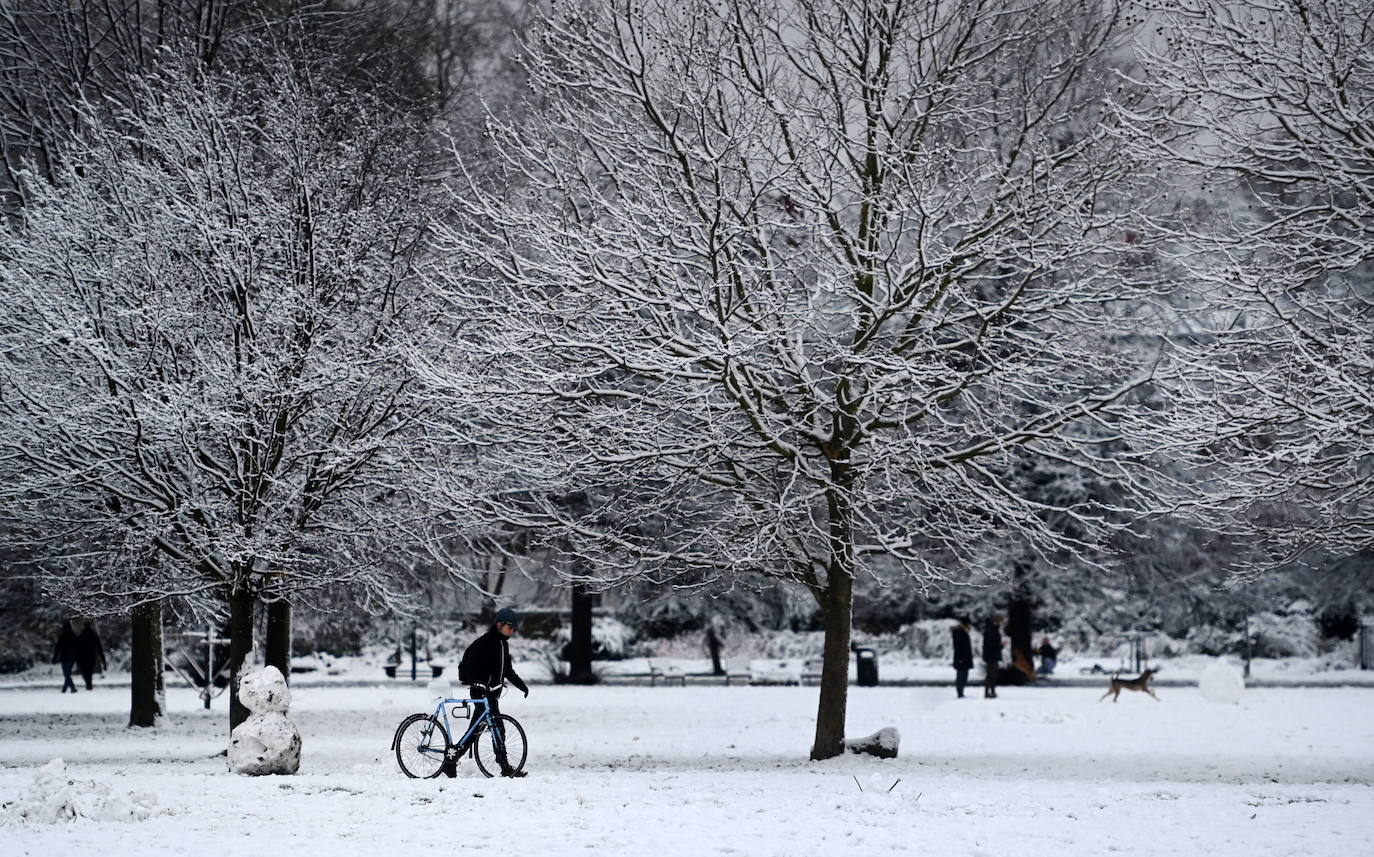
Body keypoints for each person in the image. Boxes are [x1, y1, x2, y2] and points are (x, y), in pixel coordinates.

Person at [443, 606, 530, 778]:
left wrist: (522, 686)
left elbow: (508, 671)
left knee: (477, 730)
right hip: (480, 693)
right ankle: (504, 767)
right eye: (510, 627)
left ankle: (451, 761)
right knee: (497, 728)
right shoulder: (484, 643)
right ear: (499, 624)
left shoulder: (503, 645)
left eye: (514, 628)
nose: (512, 631)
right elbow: (466, 667)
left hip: (491, 694)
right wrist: (478, 683)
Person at [75, 620, 106, 690]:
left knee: (85, 671)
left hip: (82, 656)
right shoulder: (93, 635)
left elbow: (77, 647)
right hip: (91, 655)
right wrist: (103, 660)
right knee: (89, 670)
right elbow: (99, 648)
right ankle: (89, 684)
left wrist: (76, 657)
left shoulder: (81, 635)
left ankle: (88, 683)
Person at [53, 620, 79, 693]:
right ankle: (64, 689)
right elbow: (78, 647)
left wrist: (55, 658)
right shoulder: (74, 636)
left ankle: (72, 688)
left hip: (64, 658)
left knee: (66, 674)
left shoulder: (62, 637)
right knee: (67, 673)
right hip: (72, 658)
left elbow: (57, 648)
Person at [951, 616, 974, 698]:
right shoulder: (959, 632)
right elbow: (957, 646)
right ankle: (960, 692)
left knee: (964, 675)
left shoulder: (963, 631)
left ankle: (961, 691)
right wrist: (960, 658)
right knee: (961, 675)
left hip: (965, 657)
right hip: (961, 658)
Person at [982, 615, 1003, 699]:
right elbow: (992, 645)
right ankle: (989, 692)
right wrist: (1001, 646)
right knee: (991, 674)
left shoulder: (990, 630)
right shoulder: (992, 631)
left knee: (992, 674)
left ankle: (990, 691)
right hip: (992, 655)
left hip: (990, 655)